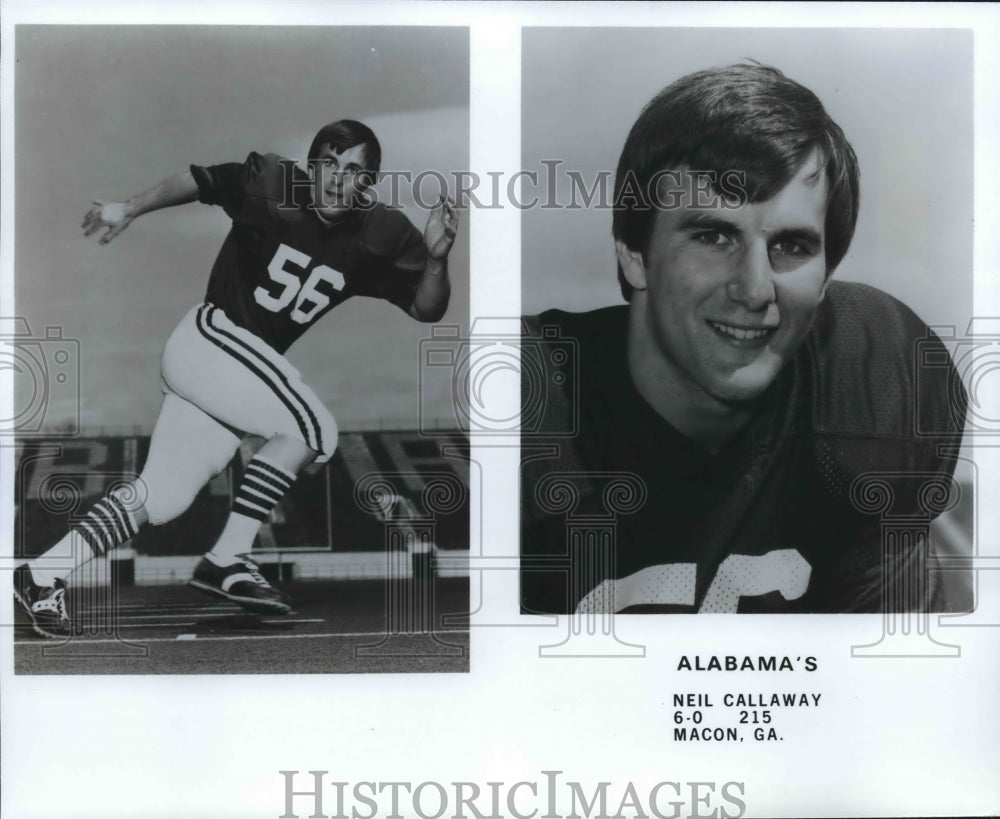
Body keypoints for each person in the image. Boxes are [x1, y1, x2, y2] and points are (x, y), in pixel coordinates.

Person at [520, 64, 967, 614]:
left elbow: (886, 684)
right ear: (634, 255)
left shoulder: (871, 382)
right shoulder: (535, 396)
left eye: (793, 247)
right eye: (712, 235)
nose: (756, 289)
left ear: (826, 276)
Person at [15, 119, 459, 638]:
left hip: (232, 378)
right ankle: (227, 557)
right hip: (211, 337)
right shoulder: (271, 183)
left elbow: (428, 310)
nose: (339, 179)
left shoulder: (381, 234)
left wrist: (435, 260)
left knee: (163, 497)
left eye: (354, 171)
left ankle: (41, 574)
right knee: (314, 428)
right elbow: (199, 181)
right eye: (329, 164)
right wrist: (130, 206)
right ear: (310, 166)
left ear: (370, 183)